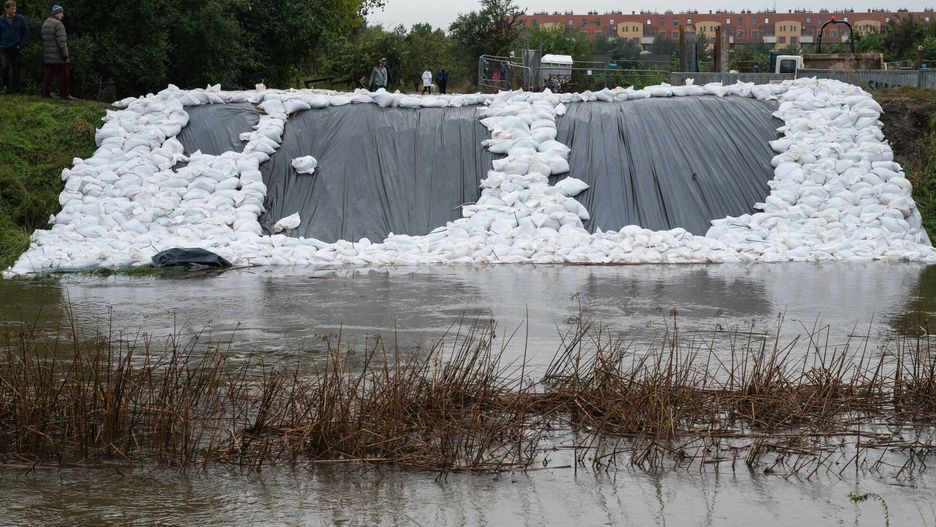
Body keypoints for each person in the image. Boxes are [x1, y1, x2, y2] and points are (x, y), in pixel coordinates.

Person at [42, 4, 73, 99]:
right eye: (61, 13)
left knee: (49, 74)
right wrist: (65, 55)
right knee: (63, 75)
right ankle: (64, 94)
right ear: (56, 13)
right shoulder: (58, 24)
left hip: (48, 54)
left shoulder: (46, 23)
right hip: (58, 55)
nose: (62, 15)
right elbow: (62, 42)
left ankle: (45, 92)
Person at [0, 0, 27, 94]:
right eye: (12, 9)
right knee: (5, 67)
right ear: (6, 9)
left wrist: (21, 44)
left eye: (15, 8)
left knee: (16, 69)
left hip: (16, 47)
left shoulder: (20, 18)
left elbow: (25, 32)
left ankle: (17, 90)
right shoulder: (1, 19)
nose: (14, 11)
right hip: (3, 48)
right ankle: (5, 88)